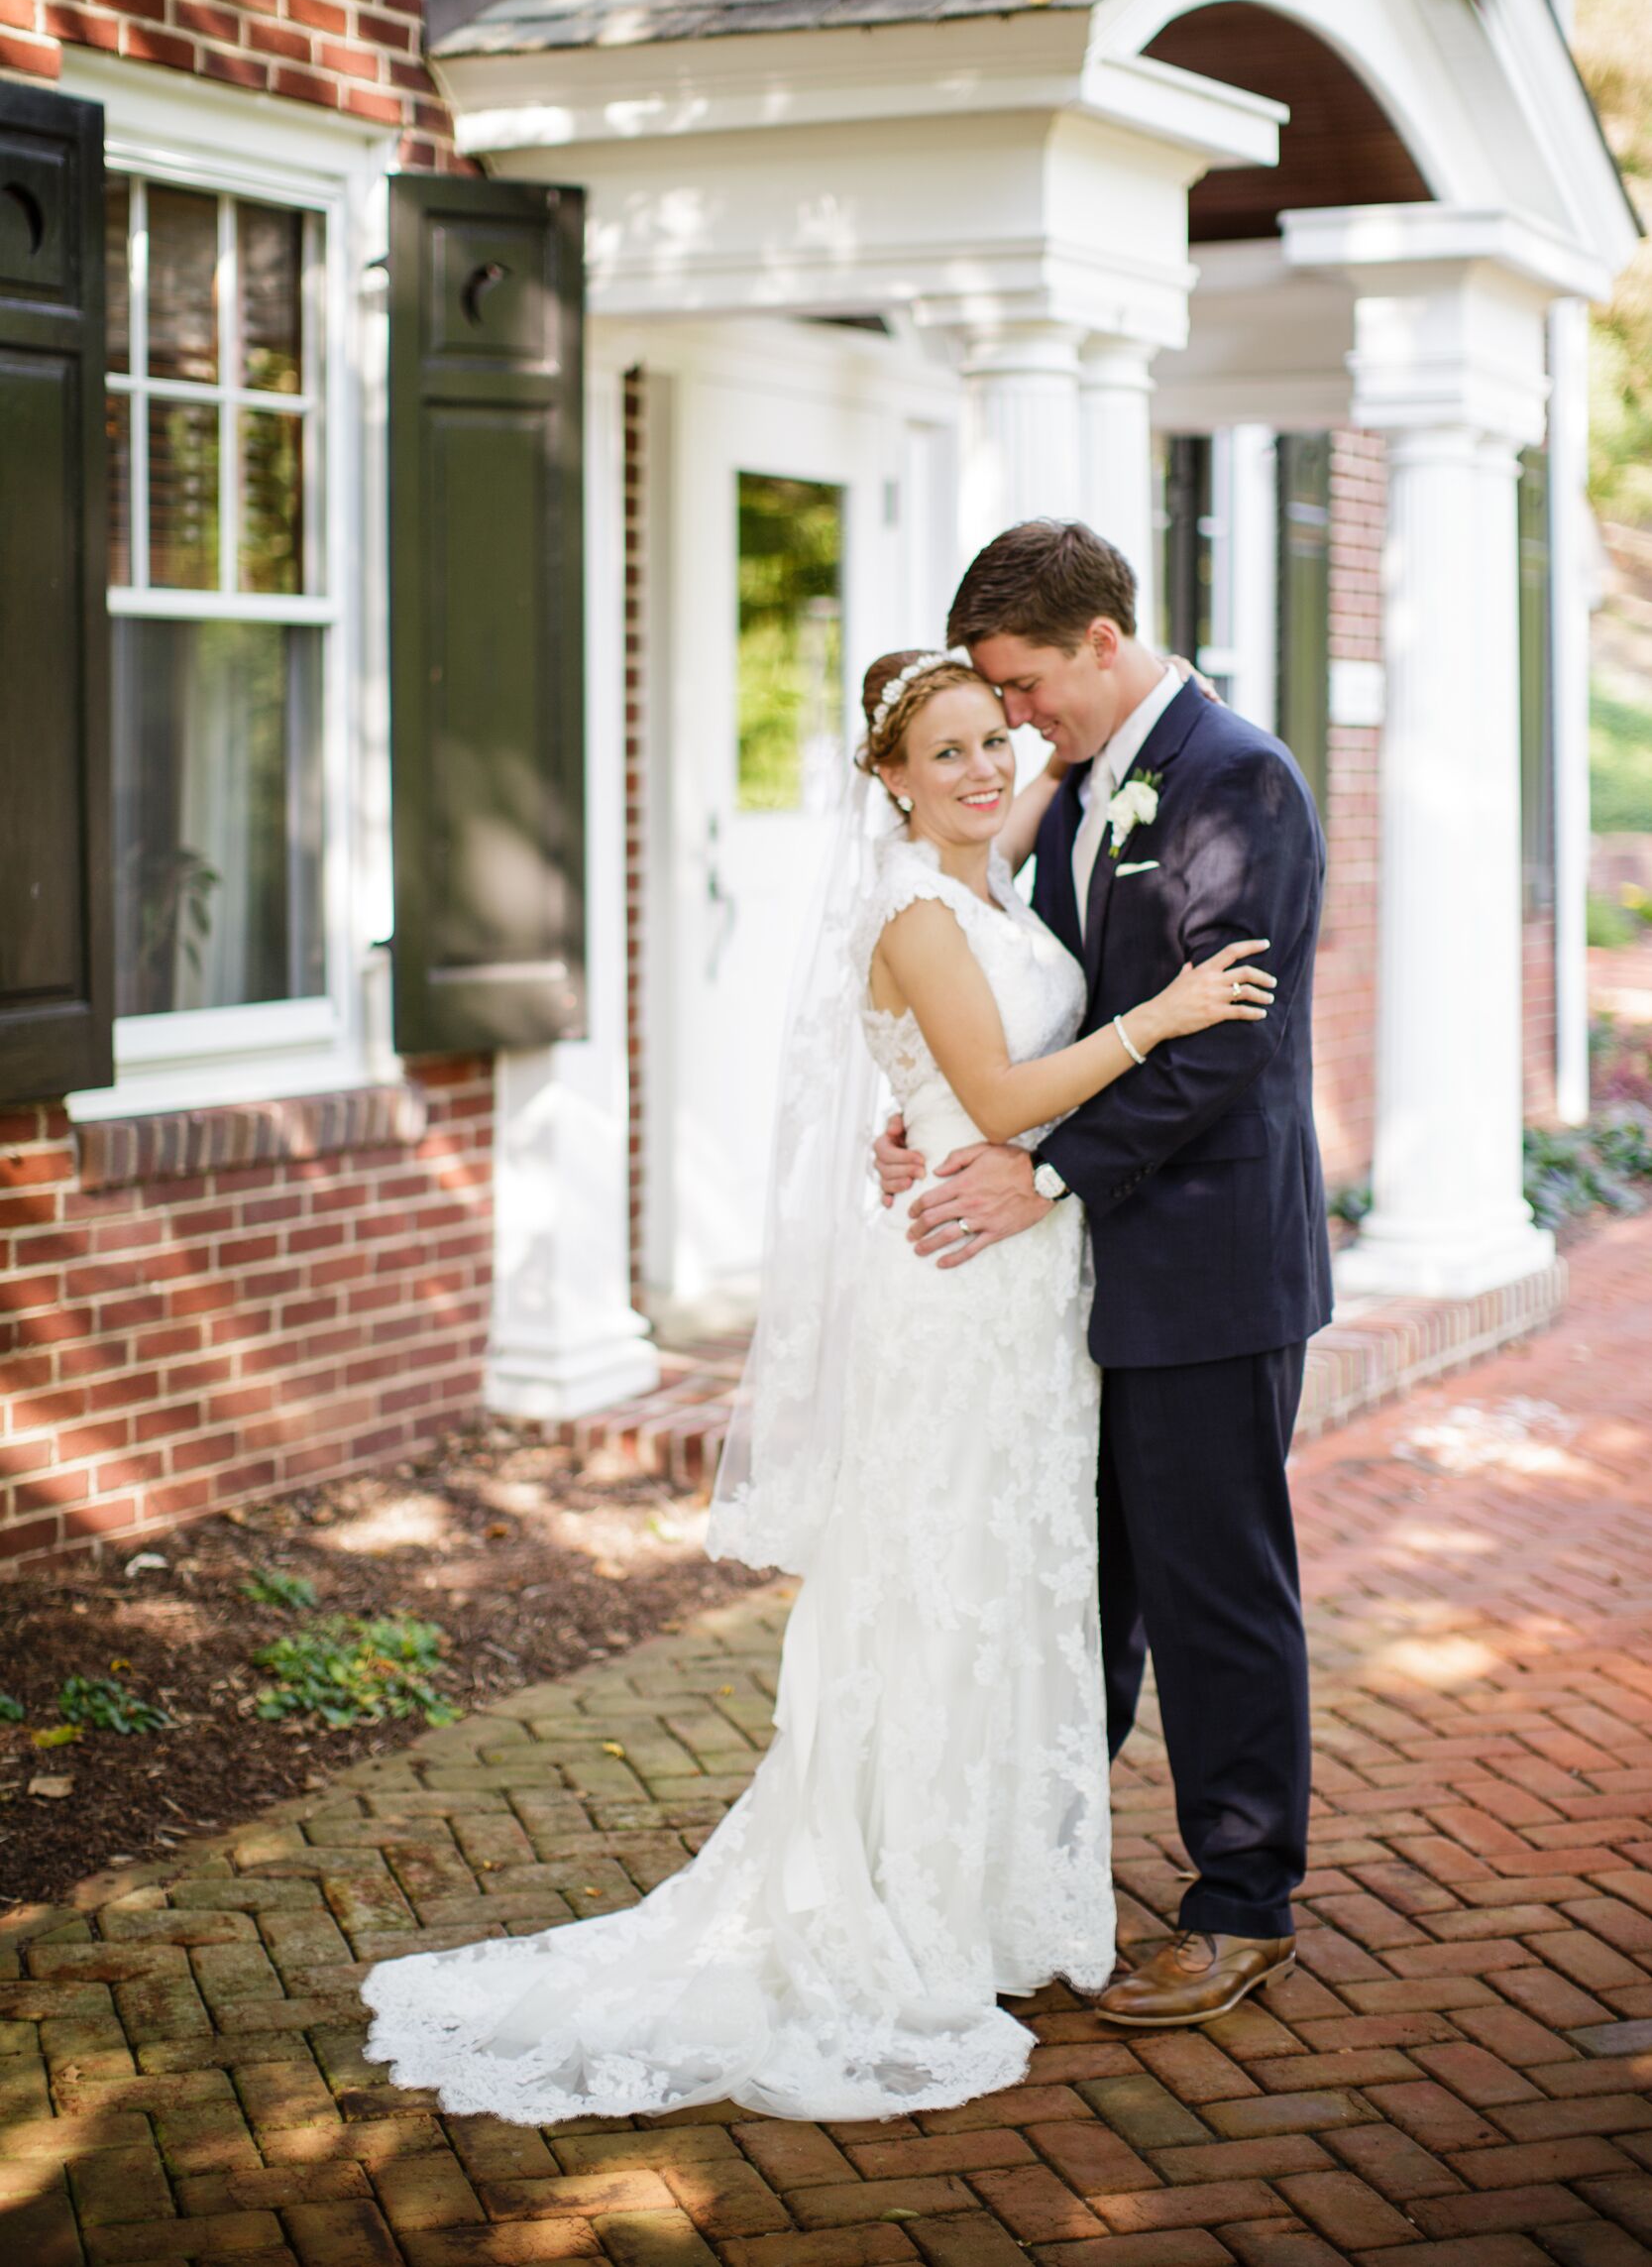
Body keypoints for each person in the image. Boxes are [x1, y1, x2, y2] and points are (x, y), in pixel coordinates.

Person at [358, 644, 1274, 2124]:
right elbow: (997, 1099)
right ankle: (887, 1908)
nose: (985, 769)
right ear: (892, 780)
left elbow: (957, 1087)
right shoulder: (918, 909)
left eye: (997, 741)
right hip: (960, 1294)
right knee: (929, 1588)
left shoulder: (998, 886)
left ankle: (979, 1904)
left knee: (1012, 1585)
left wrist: (928, 1122)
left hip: (1032, 1291)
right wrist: (1161, 1018)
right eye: (950, 753)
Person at [876, 519, 1334, 2026]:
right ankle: (1041, 1872)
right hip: (1084, 1274)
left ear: (1097, 641)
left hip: (1206, 1268)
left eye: (1021, 687)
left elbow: (1231, 1037)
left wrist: (1045, 1168)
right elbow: (1030, 1013)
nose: (1014, 721)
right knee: (1089, 1596)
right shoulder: (1080, 793)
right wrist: (933, 1124)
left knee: (1216, 1592)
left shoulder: (1234, 779)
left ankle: (1243, 1903)